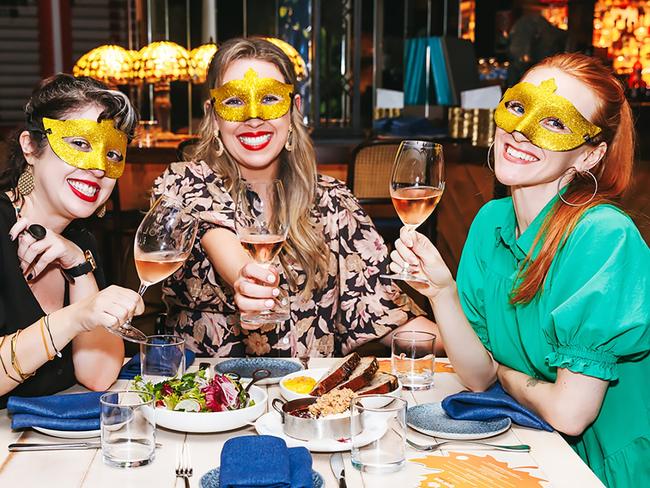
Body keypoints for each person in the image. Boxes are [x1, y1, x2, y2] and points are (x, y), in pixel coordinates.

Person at [391, 53, 649, 487]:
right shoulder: (491, 220)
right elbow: (477, 375)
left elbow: (570, 413)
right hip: (531, 445)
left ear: (589, 156)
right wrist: (441, 292)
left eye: (555, 122)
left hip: (604, 467)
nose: (521, 130)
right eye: (517, 106)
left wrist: (510, 378)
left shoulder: (604, 236)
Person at [153, 37, 440, 358]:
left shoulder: (333, 200)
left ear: (294, 110)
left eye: (271, 98)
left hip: (309, 398)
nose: (253, 116)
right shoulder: (183, 183)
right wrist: (249, 283)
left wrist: (478, 340)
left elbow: (384, 317)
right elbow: (228, 251)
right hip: (210, 400)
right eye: (233, 101)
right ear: (213, 115)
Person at [0, 74, 145, 407]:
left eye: (112, 154)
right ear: (30, 147)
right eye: (79, 143)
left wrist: (79, 268)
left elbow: (98, 376)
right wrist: (77, 316)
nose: (98, 168)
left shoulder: (81, 242)